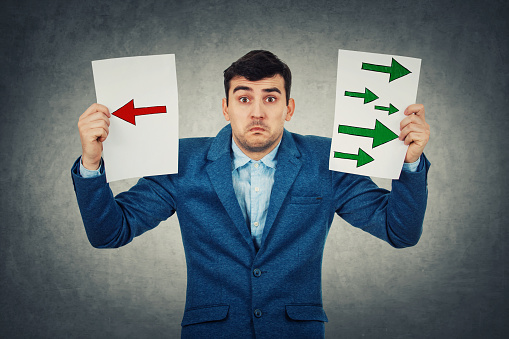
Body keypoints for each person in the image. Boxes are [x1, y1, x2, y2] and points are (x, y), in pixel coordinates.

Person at [71, 50, 430, 338]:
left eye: (270, 98)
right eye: (243, 98)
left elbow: (399, 231)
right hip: (212, 331)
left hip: (296, 332)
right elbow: (110, 233)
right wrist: (91, 162)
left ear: (288, 108)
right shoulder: (180, 161)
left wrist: (410, 163)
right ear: (225, 107)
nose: (257, 112)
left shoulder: (327, 161)